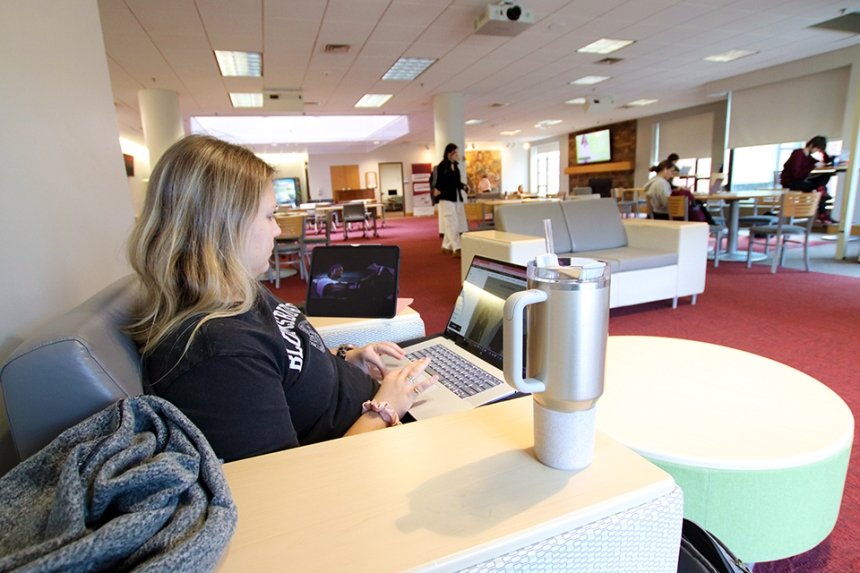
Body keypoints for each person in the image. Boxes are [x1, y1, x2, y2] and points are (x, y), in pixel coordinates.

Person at [125, 134, 437, 463]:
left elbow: (283, 360)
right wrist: (385, 410)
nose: (277, 230)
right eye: (270, 216)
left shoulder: (233, 292)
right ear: (224, 226)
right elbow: (286, 480)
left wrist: (347, 356)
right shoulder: (216, 357)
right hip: (371, 443)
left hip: (377, 403)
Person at [780, 135, 836, 223]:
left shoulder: (808, 157)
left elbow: (825, 162)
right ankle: (823, 214)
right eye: (817, 148)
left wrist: (824, 153)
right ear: (812, 145)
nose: (817, 151)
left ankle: (822, 210)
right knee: (820, 188)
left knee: (826, 175)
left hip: (801, 181)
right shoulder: (798, 153)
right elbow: (796, 174)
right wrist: (812, 166)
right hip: (791, 182)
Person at [432, 143, 468, 257]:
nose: (457, 154)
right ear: (450, 153)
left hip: (456, 198)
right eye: (455, 152)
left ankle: (446, 246)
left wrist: (464, 186)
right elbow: (437, 183)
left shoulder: (456, 166)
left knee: (453, 222)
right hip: (445, 198)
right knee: (452, 222)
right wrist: (437, 190)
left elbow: (457, 182)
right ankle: (457, 248)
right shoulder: (442, 166)